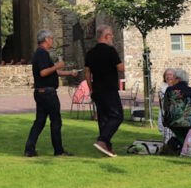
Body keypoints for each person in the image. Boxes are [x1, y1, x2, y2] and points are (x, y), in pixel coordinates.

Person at [24, 29, 77, 156]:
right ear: (46, 39)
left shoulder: (41, 53)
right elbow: (43, 72)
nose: (53, 40)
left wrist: (69, 73)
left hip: (40, 92)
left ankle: (29, 149)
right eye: (52, 38)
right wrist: (58, 66)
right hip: (47, 93)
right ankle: (58, 151)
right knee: (56, 121)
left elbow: (51, 71)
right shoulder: (42, 53)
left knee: (40, 122)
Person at [84, 24, 125, 157]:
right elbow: (120, 68)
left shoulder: (90, 53)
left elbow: (87, 74)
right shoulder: (110, 50)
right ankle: (102, 141)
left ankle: (107, 147)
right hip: (109, 89)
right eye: (111, 35)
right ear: (106, 36)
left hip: (97, 89)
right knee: (117, 116)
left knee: (103, 118)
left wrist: (91, 90)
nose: (112, 37)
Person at [160, 68, 191, 154]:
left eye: (174, 77)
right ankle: (186, 148)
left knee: (179, 132)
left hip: (172, 122)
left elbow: (165, 107)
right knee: (186, 131)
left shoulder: (170, 90)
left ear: (178, 79)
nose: (172, 79)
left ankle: (180, 146)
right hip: (190, 122)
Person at [157, 68, 179, 147]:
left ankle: (174, 145)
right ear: (164, 77)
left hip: (176, 113)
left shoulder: (178, 87)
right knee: (165, 130)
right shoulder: (163, 87)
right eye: (167, 75)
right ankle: (167, 146)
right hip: (165, 112)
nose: (169, 77)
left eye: (171, 75)